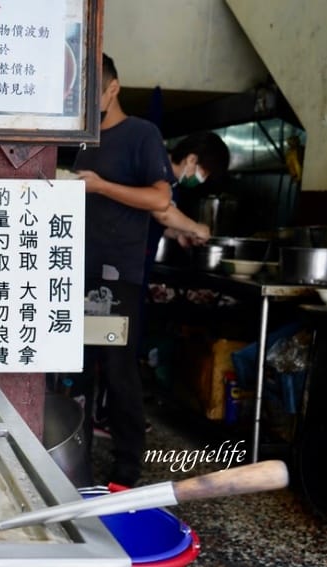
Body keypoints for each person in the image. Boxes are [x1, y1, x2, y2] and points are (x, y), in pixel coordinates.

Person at [70, 53, 175, 488]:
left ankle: (126, 470)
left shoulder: (141, 135)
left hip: (113, 279)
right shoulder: (76, 139)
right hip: (69, 273)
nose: (84, 100)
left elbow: (160, 199)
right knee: (72, 369)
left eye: (93, 90)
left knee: (116, 368)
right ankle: (72, 463)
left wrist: (101, 186)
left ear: (113, 88)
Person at [92, 131, 232, 439]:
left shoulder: (170, 182)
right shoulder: (159, 176)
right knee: (114, 351)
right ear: (192, 159)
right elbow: (161, 211)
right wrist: (196, 227)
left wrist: (177, 234)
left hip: (131, 273)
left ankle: (113, 417)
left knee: (119, 349)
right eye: (203, 173)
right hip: (116, 272)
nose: (200, 180)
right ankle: (109, 419)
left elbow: (156, 221)